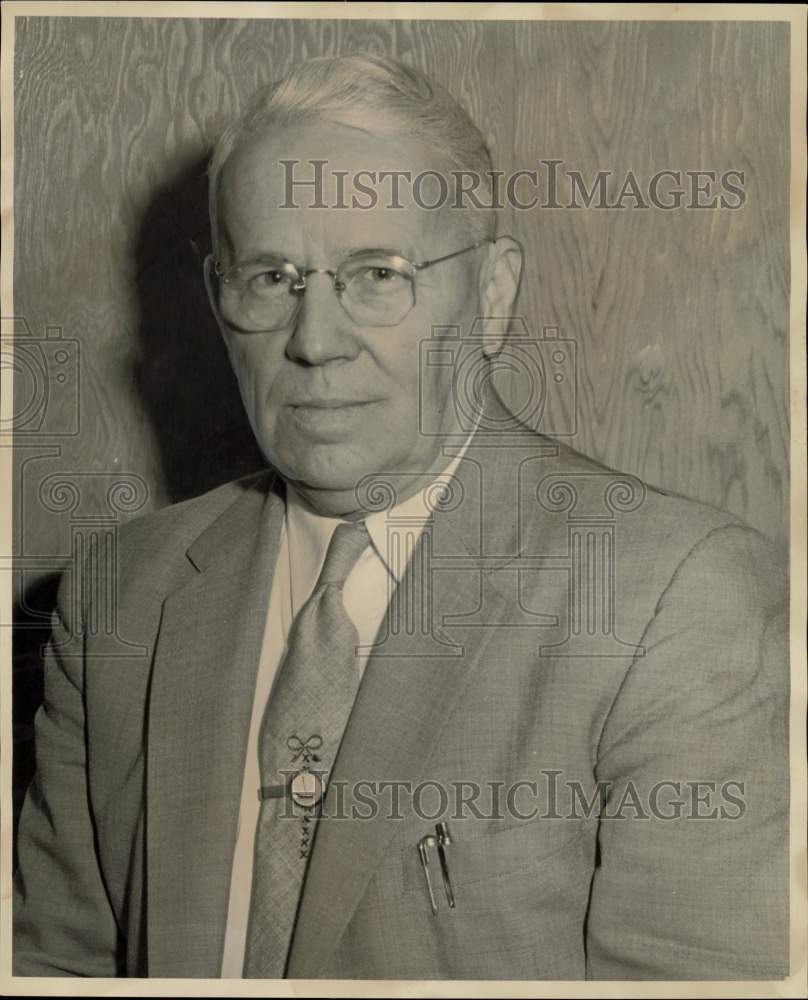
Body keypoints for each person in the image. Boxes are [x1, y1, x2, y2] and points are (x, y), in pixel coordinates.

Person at [13, 54, 789, 981]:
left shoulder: (672, 595)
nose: (314, 341)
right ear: (219, 301)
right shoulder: (117, 596)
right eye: (270, 278)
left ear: (493, 295)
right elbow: (54, 966)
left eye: (377, 274)